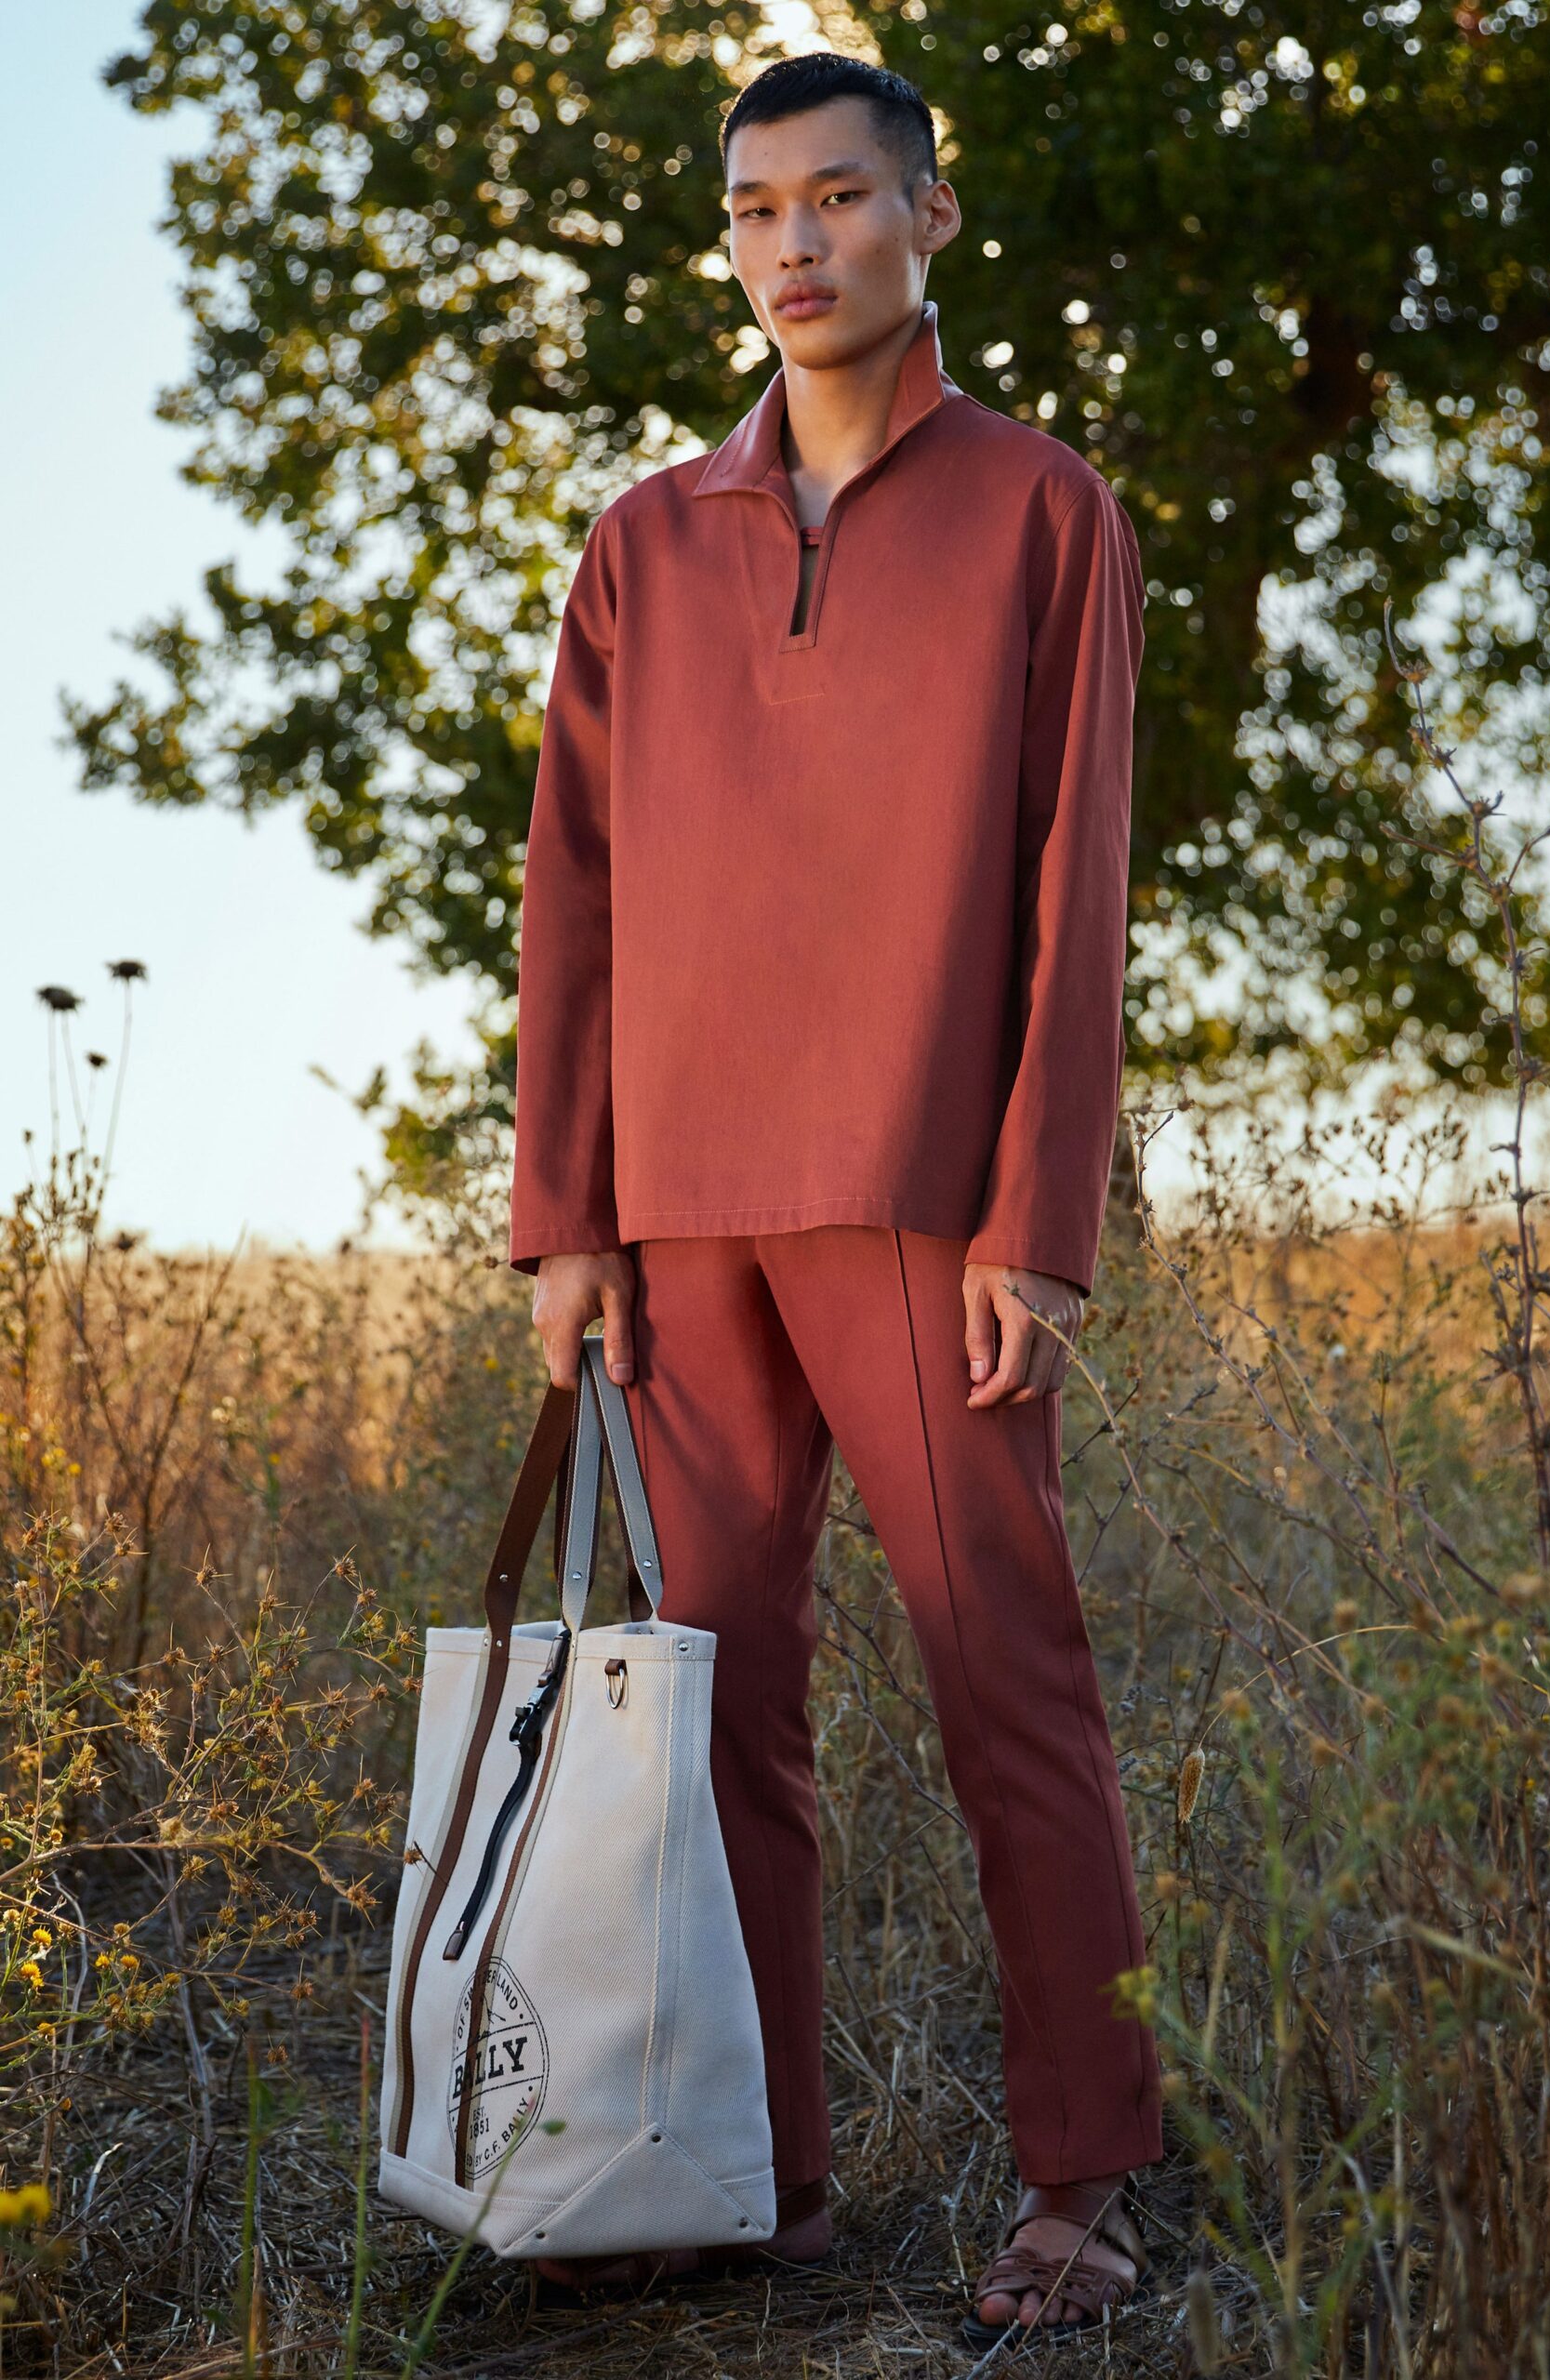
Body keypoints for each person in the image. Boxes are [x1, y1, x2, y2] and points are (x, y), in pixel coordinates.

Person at [509, 48, 1161, 2345]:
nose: (794, 244)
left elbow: (1073, 889)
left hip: (918, 1204)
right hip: (679, 1211)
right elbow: (568, 893)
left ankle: (1083, 2170)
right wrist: (562, 1214)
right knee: (717, 1699)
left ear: (929, 218)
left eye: (837, 200)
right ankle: (750, 2168)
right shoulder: (640, 543)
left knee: (1006, 1671)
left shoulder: (1041, 514)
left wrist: (1038, 1219)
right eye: (755, 209)